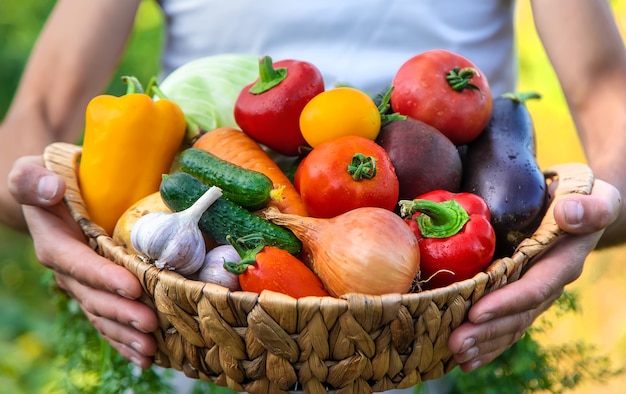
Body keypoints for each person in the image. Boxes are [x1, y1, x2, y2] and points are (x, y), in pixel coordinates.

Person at [1, 0, 624, 391]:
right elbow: (39, 114)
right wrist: (47, 215)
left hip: (466, 335)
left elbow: (607, 98)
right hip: (204, 323)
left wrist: (594, 210)